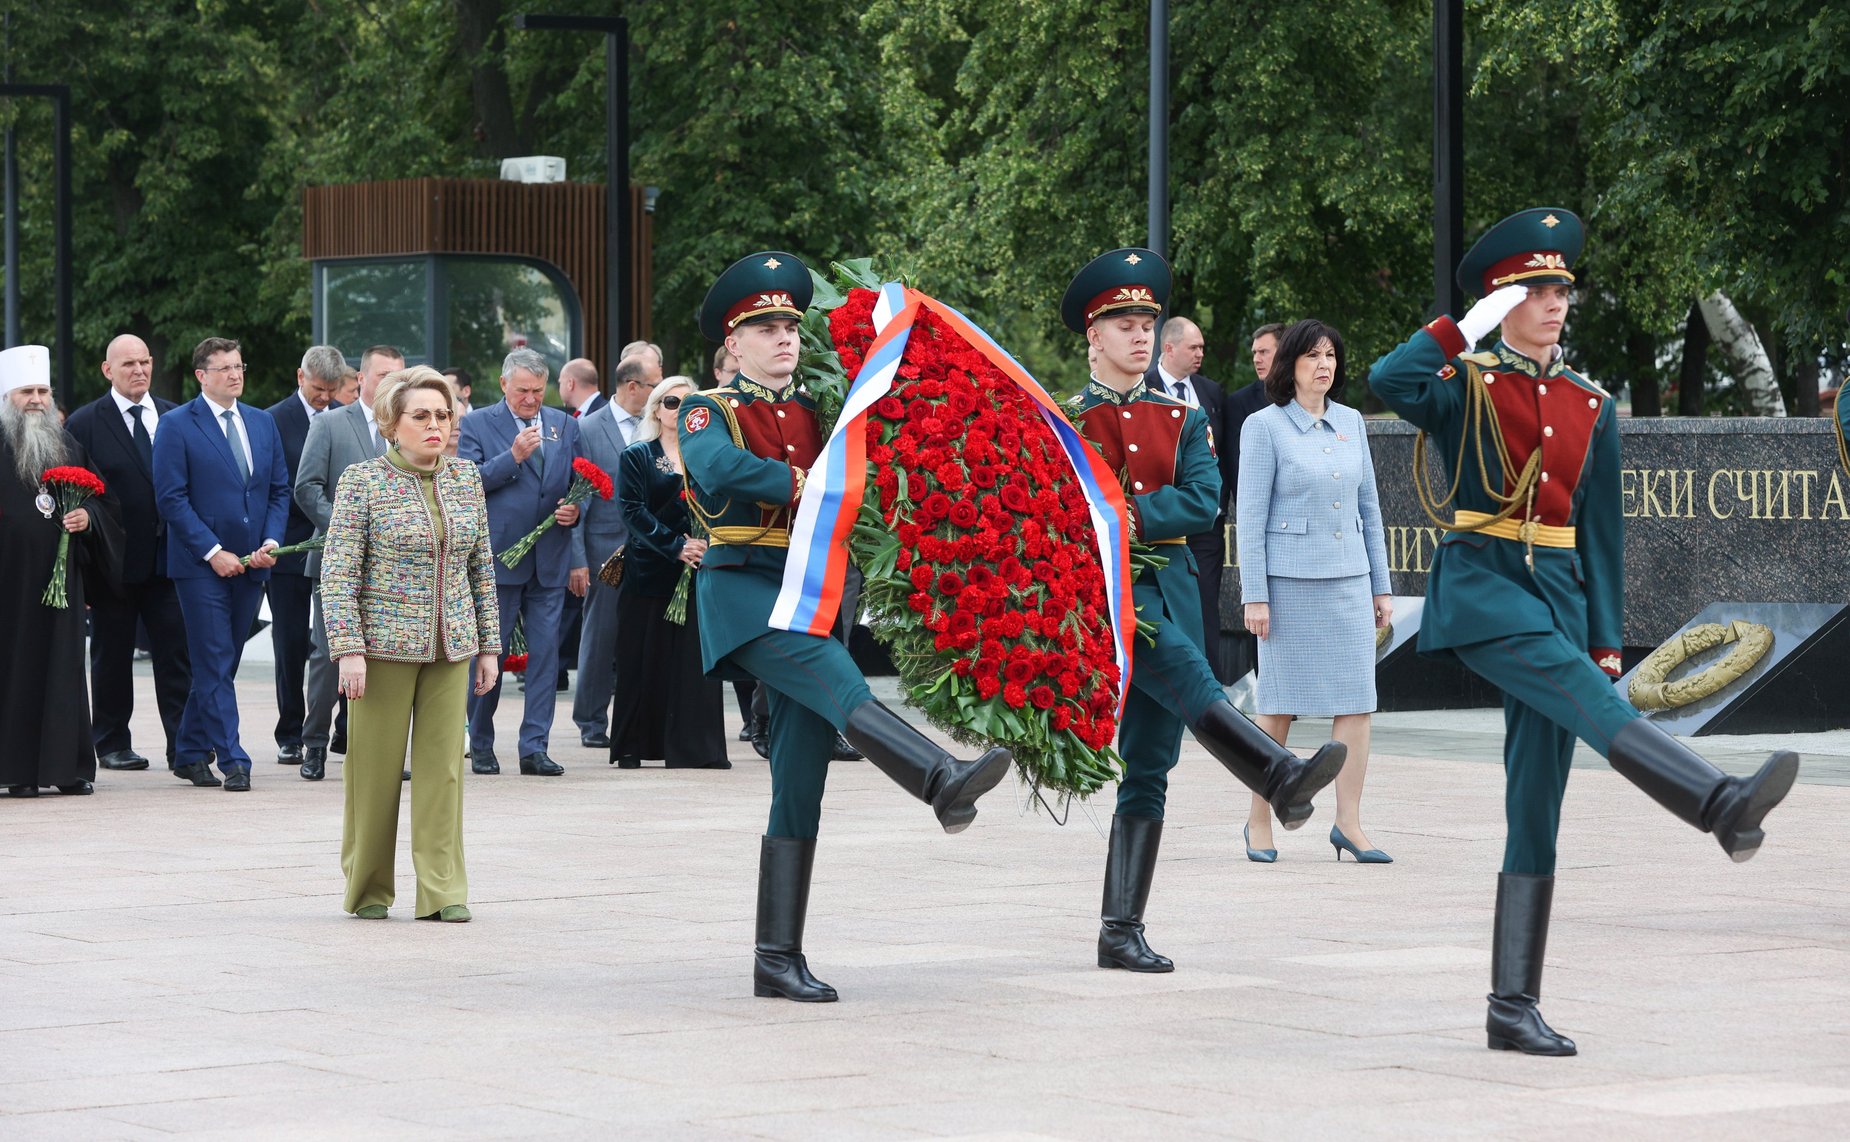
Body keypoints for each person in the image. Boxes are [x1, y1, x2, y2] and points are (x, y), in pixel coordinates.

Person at [1369, 206, 1799, 1056]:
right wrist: (1462, 330)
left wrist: (1607, 641)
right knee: (1581, 708)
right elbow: (1389, 381)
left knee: (1537, 800)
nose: (1556, 301)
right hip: (1487, 590)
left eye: (1562, 288)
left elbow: (1602, 535)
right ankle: (1714, 801)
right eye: (1536, 289)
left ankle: (1511, 1004)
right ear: (1501, 301)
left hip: (1559, 595)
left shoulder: (1588, 403)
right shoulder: (1465, 382)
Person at [681, 251, 1013, 1003]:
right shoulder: (710, 409)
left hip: (811, 593)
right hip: (745, 596)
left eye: (790, 326)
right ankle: (938, 778)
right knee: (839, 678)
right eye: (764, 328)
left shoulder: (811, 414)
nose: (782, 338)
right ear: (733, 345)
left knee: (799, 783)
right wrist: (805, 482)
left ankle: (776, 958)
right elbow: (716, 470)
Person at [1063, 249, 1345, 974]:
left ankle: (1120, 929)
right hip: (1110, 601)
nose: (1138, 335)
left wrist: (1127, 513)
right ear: (1093, 336)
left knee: (1152, 762)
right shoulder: (1065, 422)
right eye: (1123, 323)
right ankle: (1274, 771)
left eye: (1147, 323)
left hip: (1173, 592)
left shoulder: (1180, 417)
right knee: (1192, 683)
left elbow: (1200, 500)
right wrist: (1118, 524)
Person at [320, 367, 500, 921]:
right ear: (391, 423)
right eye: (421, 416)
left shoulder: (466, 479)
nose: (435, 426)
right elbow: (339, 571)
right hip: (379, 652)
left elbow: (481, 567)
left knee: (444, 771)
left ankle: (443, 891)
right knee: (373, 773)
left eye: (442, 416)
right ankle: (369, 888)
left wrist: (489, 644)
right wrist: (348, 647)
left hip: (453, 647)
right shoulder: (362, 481)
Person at [1237, 319, 1393, 864]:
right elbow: (1249, 517)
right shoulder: (1264, 427)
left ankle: (1348, 823)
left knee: (1356, 703)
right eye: (1312, 356)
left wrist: (1381, 584)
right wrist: (1254, 594)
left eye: (1330, 356)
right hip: (1287, 588)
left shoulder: (1352, 421)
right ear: (1290, 366)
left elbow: (1369, 510)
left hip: (1349, 583)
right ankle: (1260, 820)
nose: (1323, 365)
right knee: (1276, 706)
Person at [151, 337, 292, 791]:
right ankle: (233, 758)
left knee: (223, 662)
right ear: (201, 376)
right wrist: (213, 551)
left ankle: (190, 750)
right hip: (199, 565)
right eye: (225, 367)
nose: (235, 374)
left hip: (254, 561)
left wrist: (270, 540)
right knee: (212, 660)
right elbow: (171, 498)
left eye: (239, 366)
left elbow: (277, 490)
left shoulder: (261, 422)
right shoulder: (176, 425)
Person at [65, 334, 191, 775]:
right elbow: (72, 493)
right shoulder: (85, 423)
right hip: (112, 561)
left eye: (144, 362)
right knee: (112, 654)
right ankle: (112, 741)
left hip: (171, 559)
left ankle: (185, 745)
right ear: (107, 371)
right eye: (128, 365)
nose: (138, 371)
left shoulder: (177, 416)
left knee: (176, 655)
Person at [0, 345, 121, 796]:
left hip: (61, 583)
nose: (36, 399)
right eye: (26, 391)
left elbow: (105, 503)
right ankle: (17, 772)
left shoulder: (67, 445)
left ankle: (66, 768)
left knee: (64, 669)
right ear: (8, 396)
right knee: (18, 669)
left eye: (42, 391)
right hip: (9, 585)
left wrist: (87, 519)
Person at [457, 347, 581, 776]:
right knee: (490, 653)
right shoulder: (475, 423)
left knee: (546, 656)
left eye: (538, 390)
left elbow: (578, 479)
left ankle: (534, 747)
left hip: (550, 556)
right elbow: (466, 482)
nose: (531, 399)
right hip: (499, 559)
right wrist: (513, 458)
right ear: (504, 385)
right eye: (523, 391)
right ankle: (482, 742)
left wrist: (574, 510)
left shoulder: (563, 423)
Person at [294, 345, 404, 780]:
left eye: (399, 377)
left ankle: (372, 748)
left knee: (385, 659)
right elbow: (307, 488)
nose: (391, 385)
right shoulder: (329, 423)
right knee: (327, 655)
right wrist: (347, 529)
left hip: (393, 568)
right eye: (383, 376)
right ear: (361, 378)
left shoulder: (406, 431)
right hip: (336, 560)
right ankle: (315, 745)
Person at [607, 376, 727, 768]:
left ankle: (693, 748)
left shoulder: (707, 455)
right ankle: (634, 746)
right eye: (672, 401)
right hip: (650, 570)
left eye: (689, 402)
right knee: (642, 658)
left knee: (691, 661)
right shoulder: (638, 455)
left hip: (698, 570)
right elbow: (631, 510)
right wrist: (676, 545)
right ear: (657, 408)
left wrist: (707, 541)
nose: (680, 408)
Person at [264, 346, 345, 767]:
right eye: (317, 388)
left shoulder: (346, 417)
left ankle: (343, 730)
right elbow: (275, 485)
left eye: (332, 390)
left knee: (339, 644)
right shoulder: (273, 420)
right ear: (301, 377)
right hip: (292, 546)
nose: (324, 397)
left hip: (345, 546)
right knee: (292, 641)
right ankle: (290, 732)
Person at [569, 354, 654, 749]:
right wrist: (578, 560)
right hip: (605, 548)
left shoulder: (656, 426)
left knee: (646, 635)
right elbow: (575, 499)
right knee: (601, 636)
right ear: (632, 386)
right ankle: (590, 719)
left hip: (653, 547)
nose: (660, 395)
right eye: (655, 386)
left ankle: (642, 717)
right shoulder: (587, 428)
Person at [1146, 315, 1230, 680]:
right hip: (1158, 525)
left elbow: (1223, 452)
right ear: (1169, 348)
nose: (1200, 354)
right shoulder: (1141, 387)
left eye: (1202, 347)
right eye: (1194, 347)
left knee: (1206, 603)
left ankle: (1209, 687)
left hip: (1207, 523)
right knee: (1162, 608)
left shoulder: (1211, 393)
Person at [1220, 324, 1284, 683]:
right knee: (1263, 615)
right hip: (1260, 521)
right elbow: (1234, 463)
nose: (1257, 359)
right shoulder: (1239, 404)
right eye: (1254, 353)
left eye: (1265, 351)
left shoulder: (1309, 400)